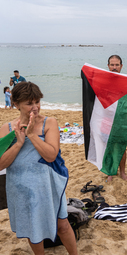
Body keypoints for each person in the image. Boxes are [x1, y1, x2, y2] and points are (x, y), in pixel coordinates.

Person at [0, 82, 78, 255]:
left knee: (62, 225)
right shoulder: (6, 129)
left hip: (47, 185)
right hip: (20, 188)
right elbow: (1, 164)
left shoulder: (49, 123)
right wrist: (19, 143)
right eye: (29, 103)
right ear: (16, 104)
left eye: (37, 102)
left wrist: (31, 135)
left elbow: (51, 155)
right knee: (32, 228)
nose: (35, 107)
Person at [106, 54, 127, 181]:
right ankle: (111, 171)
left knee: (122, 147)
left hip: (122, 119)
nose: (114, 67)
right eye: (112, 65)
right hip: (107, 120)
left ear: (121, 66)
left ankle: (122, 171)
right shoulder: (104, 82)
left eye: (117, 65)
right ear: (108, 66)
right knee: (109, 147)